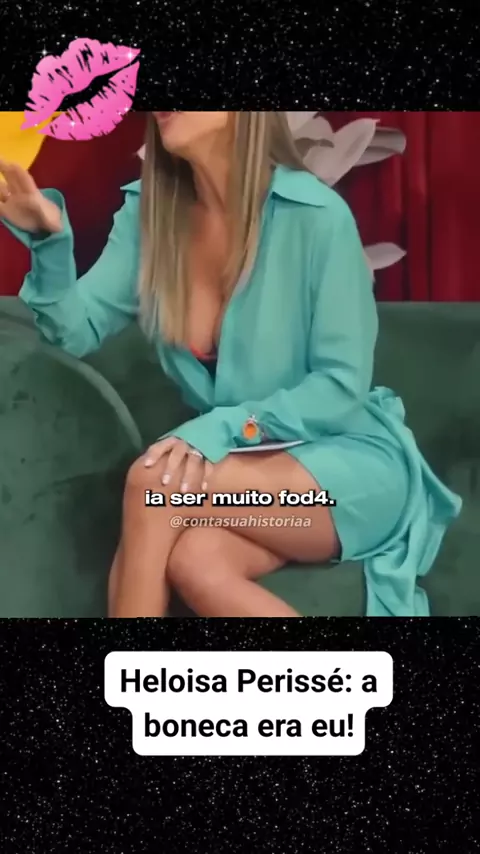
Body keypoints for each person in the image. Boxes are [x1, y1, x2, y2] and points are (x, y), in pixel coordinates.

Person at [0, 111, 462, 619]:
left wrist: (220, 429)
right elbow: (74, 329)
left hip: (350, 476)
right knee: (196, 561)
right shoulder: (149, 215)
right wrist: (48, 243)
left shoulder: (316, 216)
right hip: (257, 485)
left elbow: (340, 388)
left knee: (157, 487)